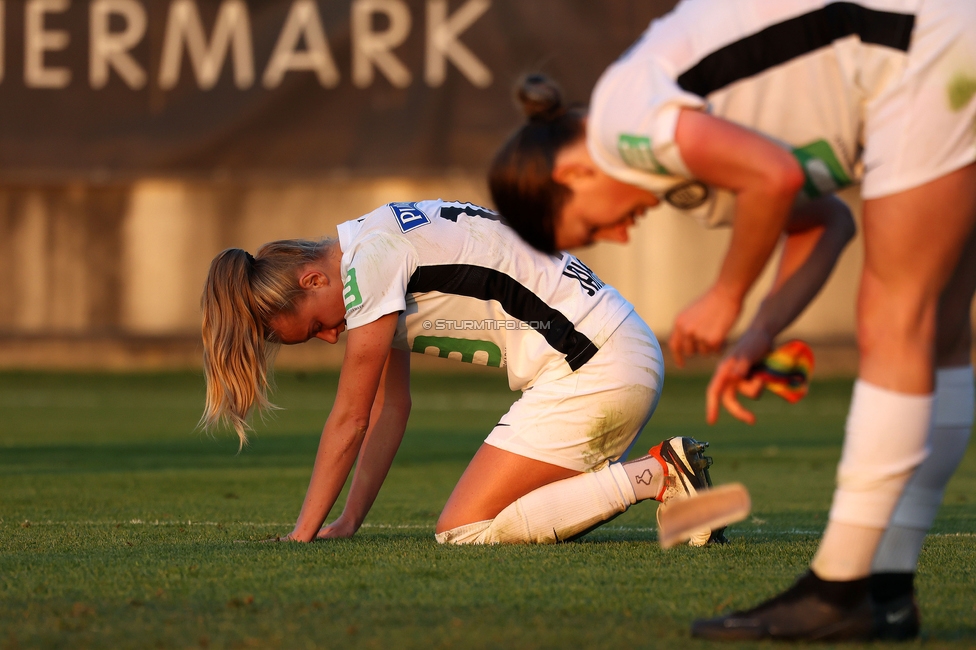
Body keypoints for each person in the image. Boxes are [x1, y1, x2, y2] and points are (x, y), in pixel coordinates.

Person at [488, 0, 976, 640]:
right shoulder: (685, 169)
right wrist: (758, 334)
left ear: (572, 173)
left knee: (895, 321)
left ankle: (841, 590)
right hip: (938, 45)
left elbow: (773, 178)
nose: (620, 235)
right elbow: (826, 221)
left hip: (920, 44)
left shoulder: (618, 120)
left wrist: (726, 295)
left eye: (593, 225)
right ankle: (885, 591)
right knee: (940, 334)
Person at [199, 198, 725, 548]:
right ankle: (670, 483)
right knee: (481, 516)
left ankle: (657, 474)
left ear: (312, 278)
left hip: (595, 366)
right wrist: (347, 522)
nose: (333, 337)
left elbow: (349, 418)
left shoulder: (370, 263)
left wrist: (301, 535)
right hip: (614, 349)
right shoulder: (371, 245)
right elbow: (389, 408)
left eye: (316, 326)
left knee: (463, 529)